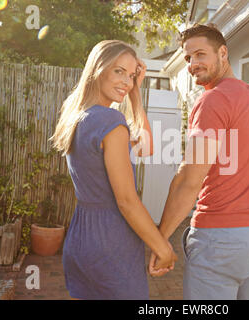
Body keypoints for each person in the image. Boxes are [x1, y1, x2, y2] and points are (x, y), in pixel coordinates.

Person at [148, 24, 249, 300]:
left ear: (223, 53)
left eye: (200, 54)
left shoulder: (213, 100)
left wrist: (160, 240)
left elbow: (189, 180)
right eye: (188, 58)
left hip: (221, 239)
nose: (193, 64)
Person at [51, 40, 177, 300]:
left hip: (80, 240)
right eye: (119, 71)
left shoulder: (78, 116)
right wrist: (162, 248)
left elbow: (144, 147)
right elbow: (127, 201)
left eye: (131, 76)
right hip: (111, 244)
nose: (127, 81)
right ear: (99, 68)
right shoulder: (110, 121)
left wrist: (135, 94)